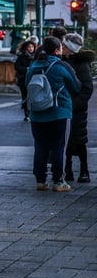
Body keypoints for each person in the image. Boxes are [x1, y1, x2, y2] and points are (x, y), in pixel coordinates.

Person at [25, 36, 79, 192]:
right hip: (59, 112)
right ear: (57, 50)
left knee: (40, 146)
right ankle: (58, 181)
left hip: (36, 114)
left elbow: (27, 84)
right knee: (58, 147)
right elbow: (76, 86)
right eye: (61, 48)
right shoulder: (61, 66)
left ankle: (40, 181)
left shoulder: (34, 66)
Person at [62, 33, 92, 183]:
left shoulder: (81, 63)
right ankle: (67, 170)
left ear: (69, 48)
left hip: (77, 108)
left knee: (79, 140)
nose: (62, 47)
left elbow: (87, 88)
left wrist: (75, 104)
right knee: (64, 141)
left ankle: (84, 170)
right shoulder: (61, 60)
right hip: (65, 106)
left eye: (64, 45)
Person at [14, 37, 39, 121]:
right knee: (25, 96)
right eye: (29, 47)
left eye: (32, 47)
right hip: (23, 79)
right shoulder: (21, 56)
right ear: (26, 48)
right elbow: (17, 66)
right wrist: (26, 69)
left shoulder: (36, 56)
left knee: (33, 96)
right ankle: (27, 113)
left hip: (34, 79)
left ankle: (32, 112)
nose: (31, 49)